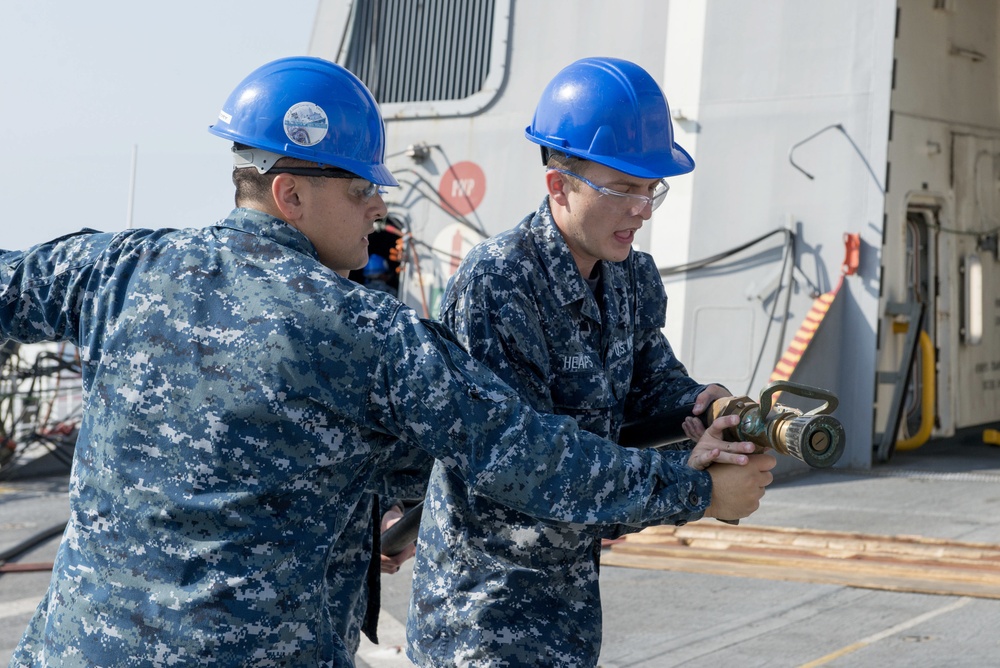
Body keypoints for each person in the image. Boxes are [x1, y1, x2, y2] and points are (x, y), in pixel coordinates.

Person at [2, 56, 771, 667]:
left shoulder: (116, 271)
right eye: (364, 186)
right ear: (291, 194)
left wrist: (385, 518)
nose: (380, 206)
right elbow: (525, 453)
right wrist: (695, 491)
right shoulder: (363, 331)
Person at [407, 57, 770, 667]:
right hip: (484, 618)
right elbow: (528, 463)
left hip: (567, 611)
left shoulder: (626, 275)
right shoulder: (500, 285)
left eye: (651, 188)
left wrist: (707, 410)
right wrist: (698, 490)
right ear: (559, 186)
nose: (643, 210)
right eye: (623, 189)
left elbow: (653, 383)